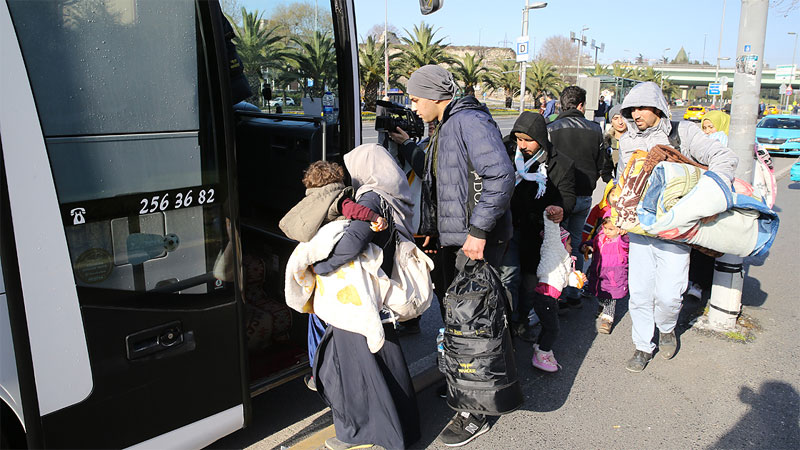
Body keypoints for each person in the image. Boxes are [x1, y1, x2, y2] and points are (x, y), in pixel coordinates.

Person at [395, 64, 514, 447]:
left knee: (473, 325)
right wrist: (409, 146)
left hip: (473, 243)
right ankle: (462, 385)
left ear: (435, 95)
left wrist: (478, 232)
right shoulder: (446, 124)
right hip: (453, 241)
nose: (413, 107)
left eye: (415, 99)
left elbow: (500, 176)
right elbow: (441, 179)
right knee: (457, 321)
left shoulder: (468, 121)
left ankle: (474, 410)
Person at [617, 82, 738, 373]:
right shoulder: (626, 140)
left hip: (675, 229)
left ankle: (667, 328)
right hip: (639, 231)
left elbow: (726, 158)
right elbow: (623, 179)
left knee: (671, 294)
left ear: (658, 107)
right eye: (631, 108)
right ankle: (643, 346)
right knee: (641, 292)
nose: (636, 114)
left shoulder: (683, 132)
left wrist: (709, 199)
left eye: (642, 107)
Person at [311, 144, 420, 450]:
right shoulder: (393, 195)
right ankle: (403, 430)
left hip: (358, 299)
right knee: (386, 364)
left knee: (350, 371)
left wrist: (319, 265)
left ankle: (361, 434)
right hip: (378, 293)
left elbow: (352, 244)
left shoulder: (370, 198)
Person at [278, 160, 388, 392]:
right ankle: (333, 372)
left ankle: (315, 370)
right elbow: (354, 212)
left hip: (314, 263)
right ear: (337, 179)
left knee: (315, 321)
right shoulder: (338, 198)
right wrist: (374, 218)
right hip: (330, 267)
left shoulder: (309, 201)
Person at [498, 111, 576, 342]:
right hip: (510, 227)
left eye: (527, 140)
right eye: (518, 139)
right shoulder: (506, 153)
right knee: (509, 277)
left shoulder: (561, 163)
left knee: (530, 282)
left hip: (538, 234)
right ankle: (507, 324)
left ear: (541, 138)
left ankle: (522, 319)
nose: (521, 145)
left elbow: (568, 197)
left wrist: (561, 208)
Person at [547, 85, 612, 311]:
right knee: (575, 243)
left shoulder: (551, 128)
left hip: (557, 198)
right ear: (582, 105)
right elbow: (602, 163)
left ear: (561, 104)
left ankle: (557, 293)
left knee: (556, 245)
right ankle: (574, 291)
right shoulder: (595, 129)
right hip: (584, 195)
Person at [531, 215, 586, 372]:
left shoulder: (564, 261)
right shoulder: (553, 251)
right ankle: (542, 353)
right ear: (561, 244)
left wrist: (577, 280)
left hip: (552, 299)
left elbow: (564, 280)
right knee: (553, 329)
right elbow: (552, 234)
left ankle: (539, 346)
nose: (571, 247)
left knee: (548, 326)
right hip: (545, 298)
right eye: (568, 244)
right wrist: (551, 218)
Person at [581, 215, 629, 334]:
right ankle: (602, 305)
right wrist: (587, 245)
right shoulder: (601, 237)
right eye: (605, 228)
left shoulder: (620, 240)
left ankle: (607, 319)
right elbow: (594, 242)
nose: (607, 231)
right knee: (600, 292)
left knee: (611, 297)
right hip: (599, 271)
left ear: (619, 229)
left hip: (614, 274)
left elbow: (626, 243)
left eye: (611, 229)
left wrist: (624, 234)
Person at [603, 104, 627, 179]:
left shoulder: (635, 139)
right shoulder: (608, 142)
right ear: (611, 122)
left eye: (622, 117)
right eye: (616, 118)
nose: (620, 122)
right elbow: (605, 172)